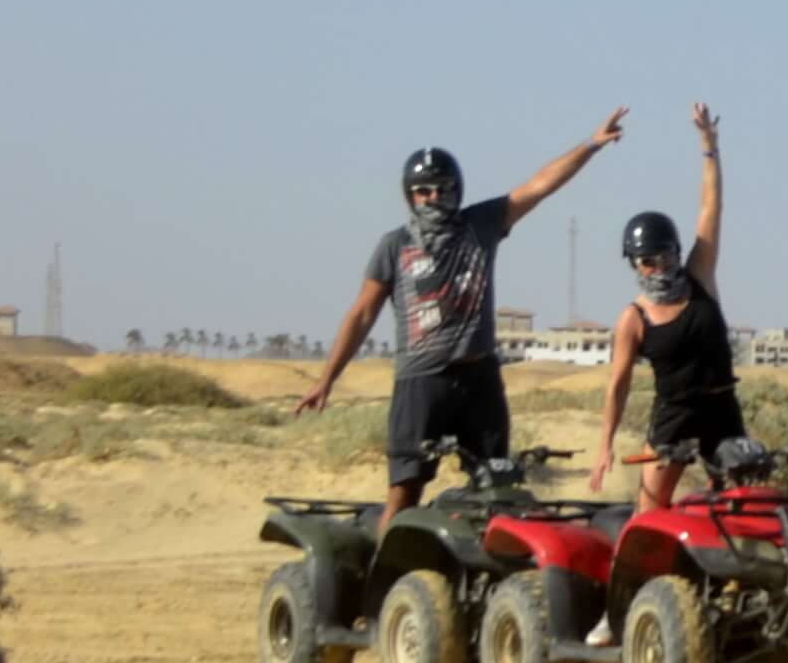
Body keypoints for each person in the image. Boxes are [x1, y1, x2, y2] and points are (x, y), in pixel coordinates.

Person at [296, 112, 626, 509]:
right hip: (421, 381)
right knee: (406, 489)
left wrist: (591, 145)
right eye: (424, 191)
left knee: (495, 485)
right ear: (410, 195)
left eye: (443, 188)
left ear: (457, 189)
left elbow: (539, 187)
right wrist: (327, 378)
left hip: (479, 379)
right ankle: (384, 569)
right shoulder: (394, 246)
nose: (434, 197)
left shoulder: (481, 225)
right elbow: (362, 315)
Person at [589, 105, 743, 510]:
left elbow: (711, 210)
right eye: (648, 260)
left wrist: (709, 147)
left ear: (677, 251)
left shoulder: (700, 277)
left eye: (666, 255)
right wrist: (604, 445)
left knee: (741, 506)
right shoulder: (633, 319)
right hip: (673, 417)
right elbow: (618, 384)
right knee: (650, 514)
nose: (660, 266)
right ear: (634, 263)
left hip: (722, 411)